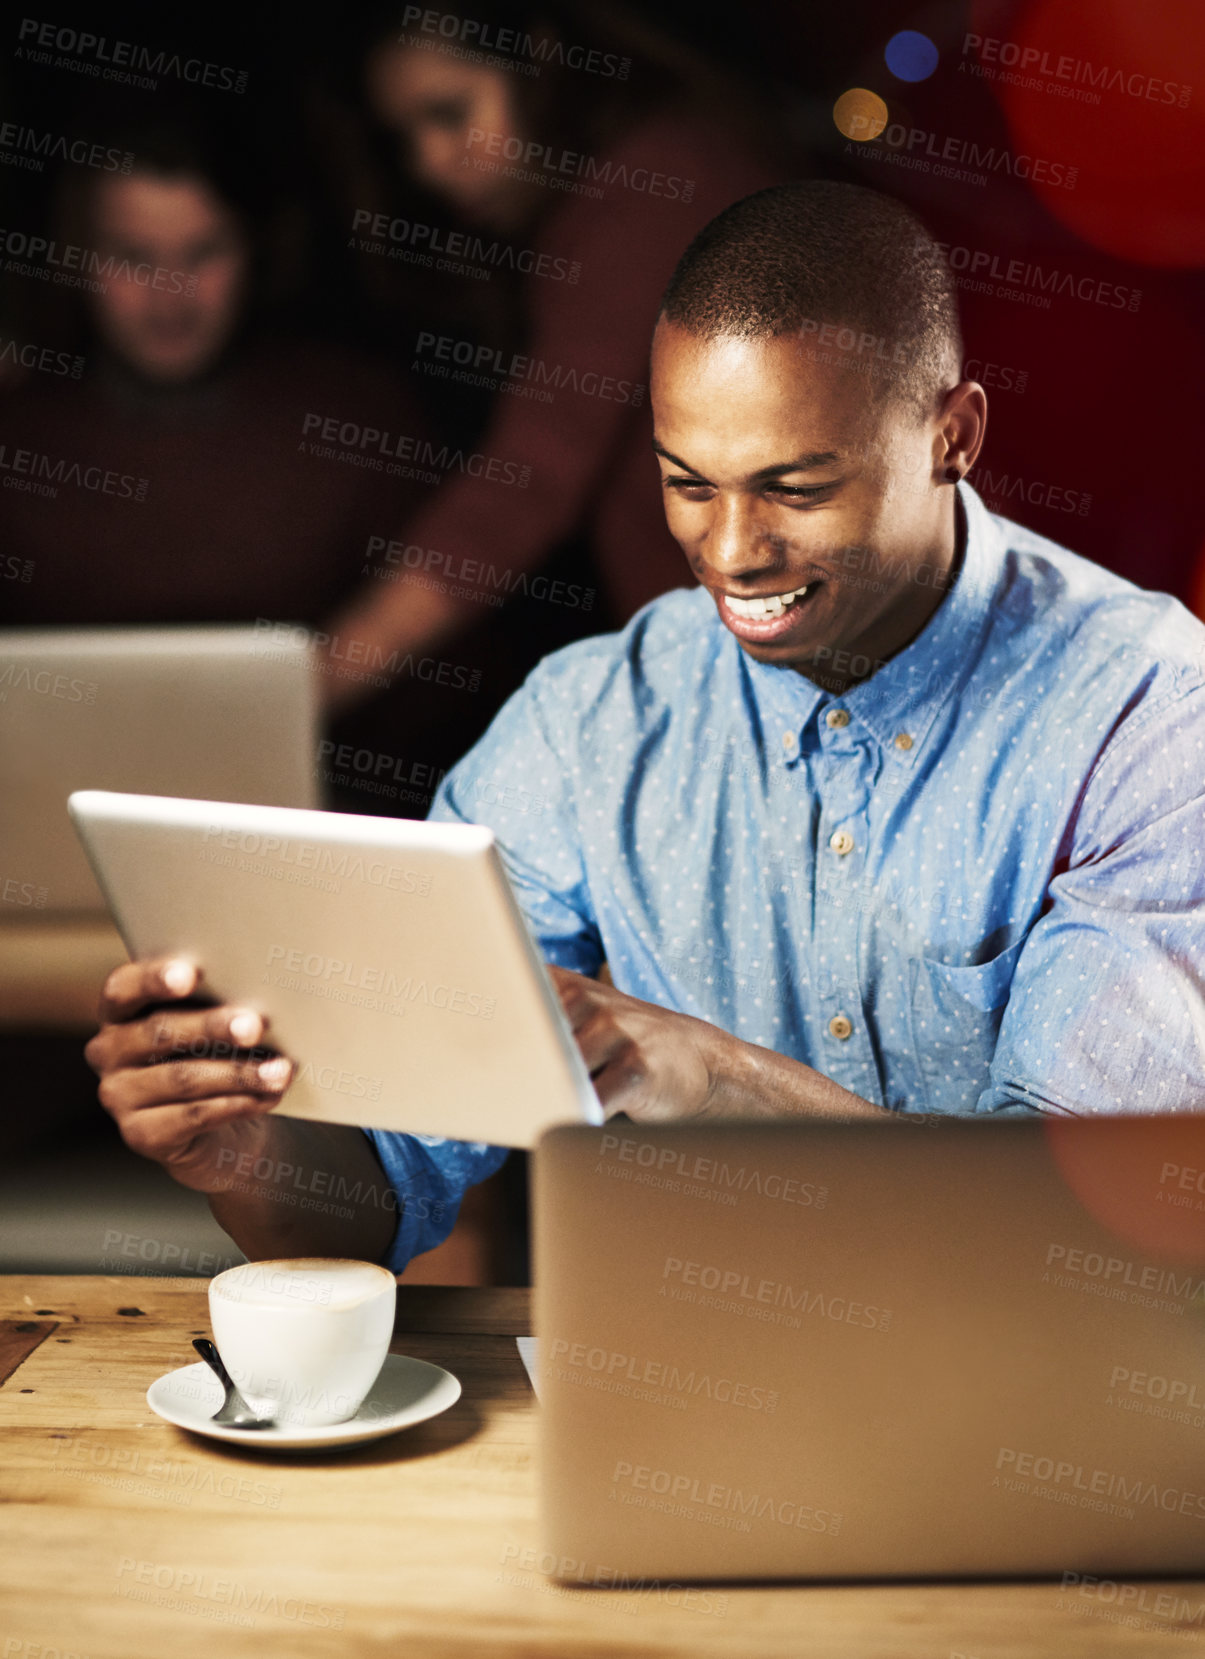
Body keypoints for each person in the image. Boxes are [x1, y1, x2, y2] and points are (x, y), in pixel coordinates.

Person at [84, 181, 1205, 1276]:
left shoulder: (1147, 717)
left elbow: (1080, 1251)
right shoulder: (587, 726)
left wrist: (708, 1076)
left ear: (951, 436)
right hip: (684, 1410)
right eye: (687, 484)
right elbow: (373, 1189)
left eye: (794, 489)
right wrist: (243, 1151)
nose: (728, 552)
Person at [314, 0, 783, 719]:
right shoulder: (628, 187)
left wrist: (311, 685)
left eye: (449, 112)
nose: (431, 164)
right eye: (405, 137)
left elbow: (528, 483)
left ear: (538, 61)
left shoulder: (654, 185)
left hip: (838, 664)